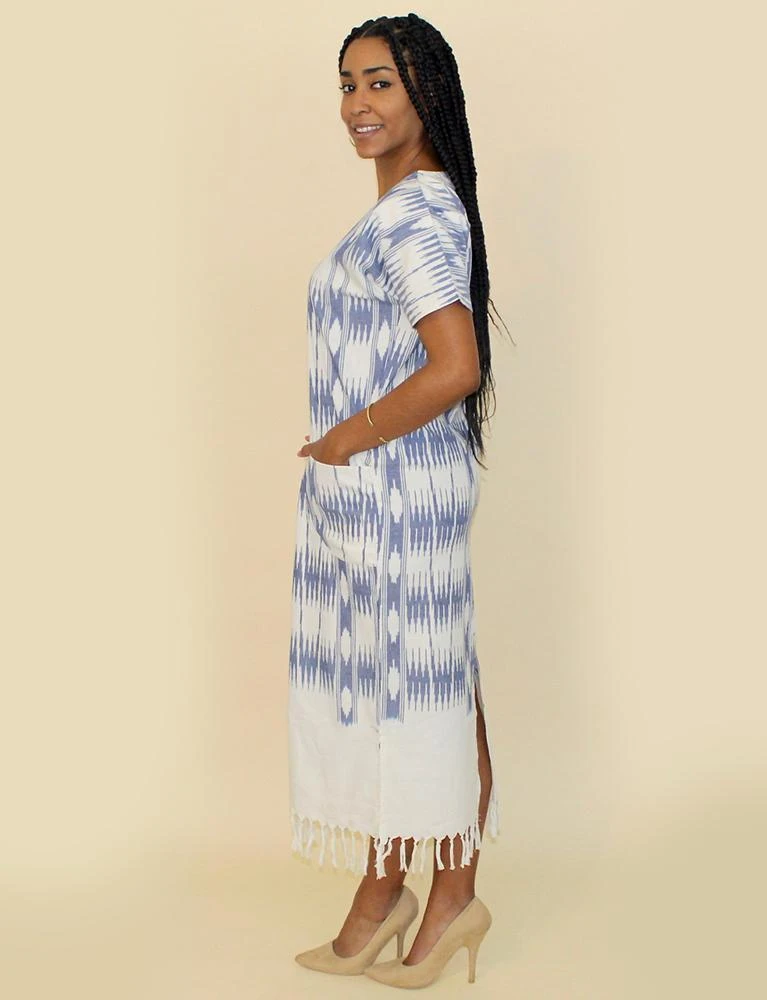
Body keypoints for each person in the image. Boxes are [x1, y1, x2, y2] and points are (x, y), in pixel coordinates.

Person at [288, 13, 508, 988]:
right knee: (421, 686)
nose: (357, 104)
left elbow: (453, 366)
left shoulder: (416, 211)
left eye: (379, 82)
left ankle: (445, 894)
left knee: (424, 692)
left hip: (398, 490)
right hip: (387, 493)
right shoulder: (407, 207)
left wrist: (345, 437)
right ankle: (388, 890)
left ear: (427, 93)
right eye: (347, 84)